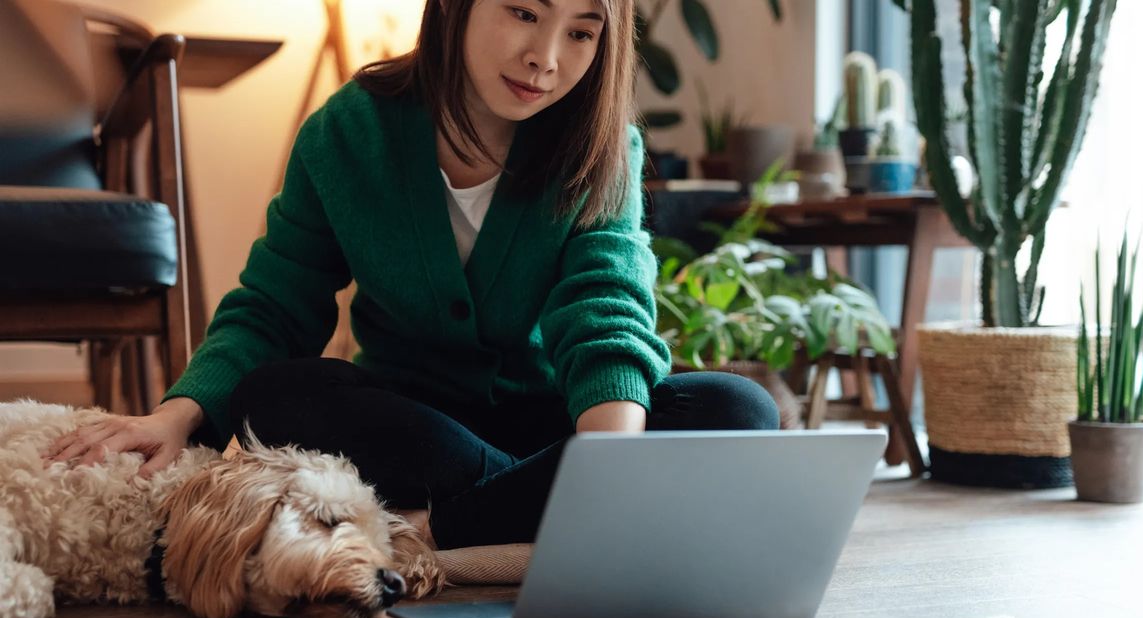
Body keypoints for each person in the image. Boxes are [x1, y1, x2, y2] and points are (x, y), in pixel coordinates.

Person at [46, 0, 779, 549]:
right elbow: (275, 304)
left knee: (741, 411)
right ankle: (547, 506)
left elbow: (606, 308)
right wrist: (176, 412)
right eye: (523, 11)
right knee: (273, 395)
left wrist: (607, 461)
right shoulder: (348, 133)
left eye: (582, 32)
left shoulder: (602, 150)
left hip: (556, 423)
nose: (545, 56)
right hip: (417, 427)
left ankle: (457, 524)